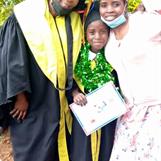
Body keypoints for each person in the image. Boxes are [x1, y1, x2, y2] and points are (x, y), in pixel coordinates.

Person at [0, 0, 85, 161]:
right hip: (33, 98)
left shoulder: (74, 19)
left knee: (58, 146)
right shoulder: (25, 15)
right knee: (36, 149)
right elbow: (12, 58)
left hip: (60, 100)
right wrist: (19, 96)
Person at [99, 0, 161, 160]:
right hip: (129, 113)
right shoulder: (108, 35)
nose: (109, 10)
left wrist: (150, 5)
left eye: (115, 4)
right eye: (104, 5)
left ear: (125, 5)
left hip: (155, 108)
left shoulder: (143, 21)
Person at [69, 7, 119, 161]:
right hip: (85, 114)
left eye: (103, 31)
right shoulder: (77, 56)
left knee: (107, 147)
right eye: (92, 32)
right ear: (85, 34)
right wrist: (75, 93)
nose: (98, 37)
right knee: (83, 151)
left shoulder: (114, 55)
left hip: (109, 115)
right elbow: (69, 81)